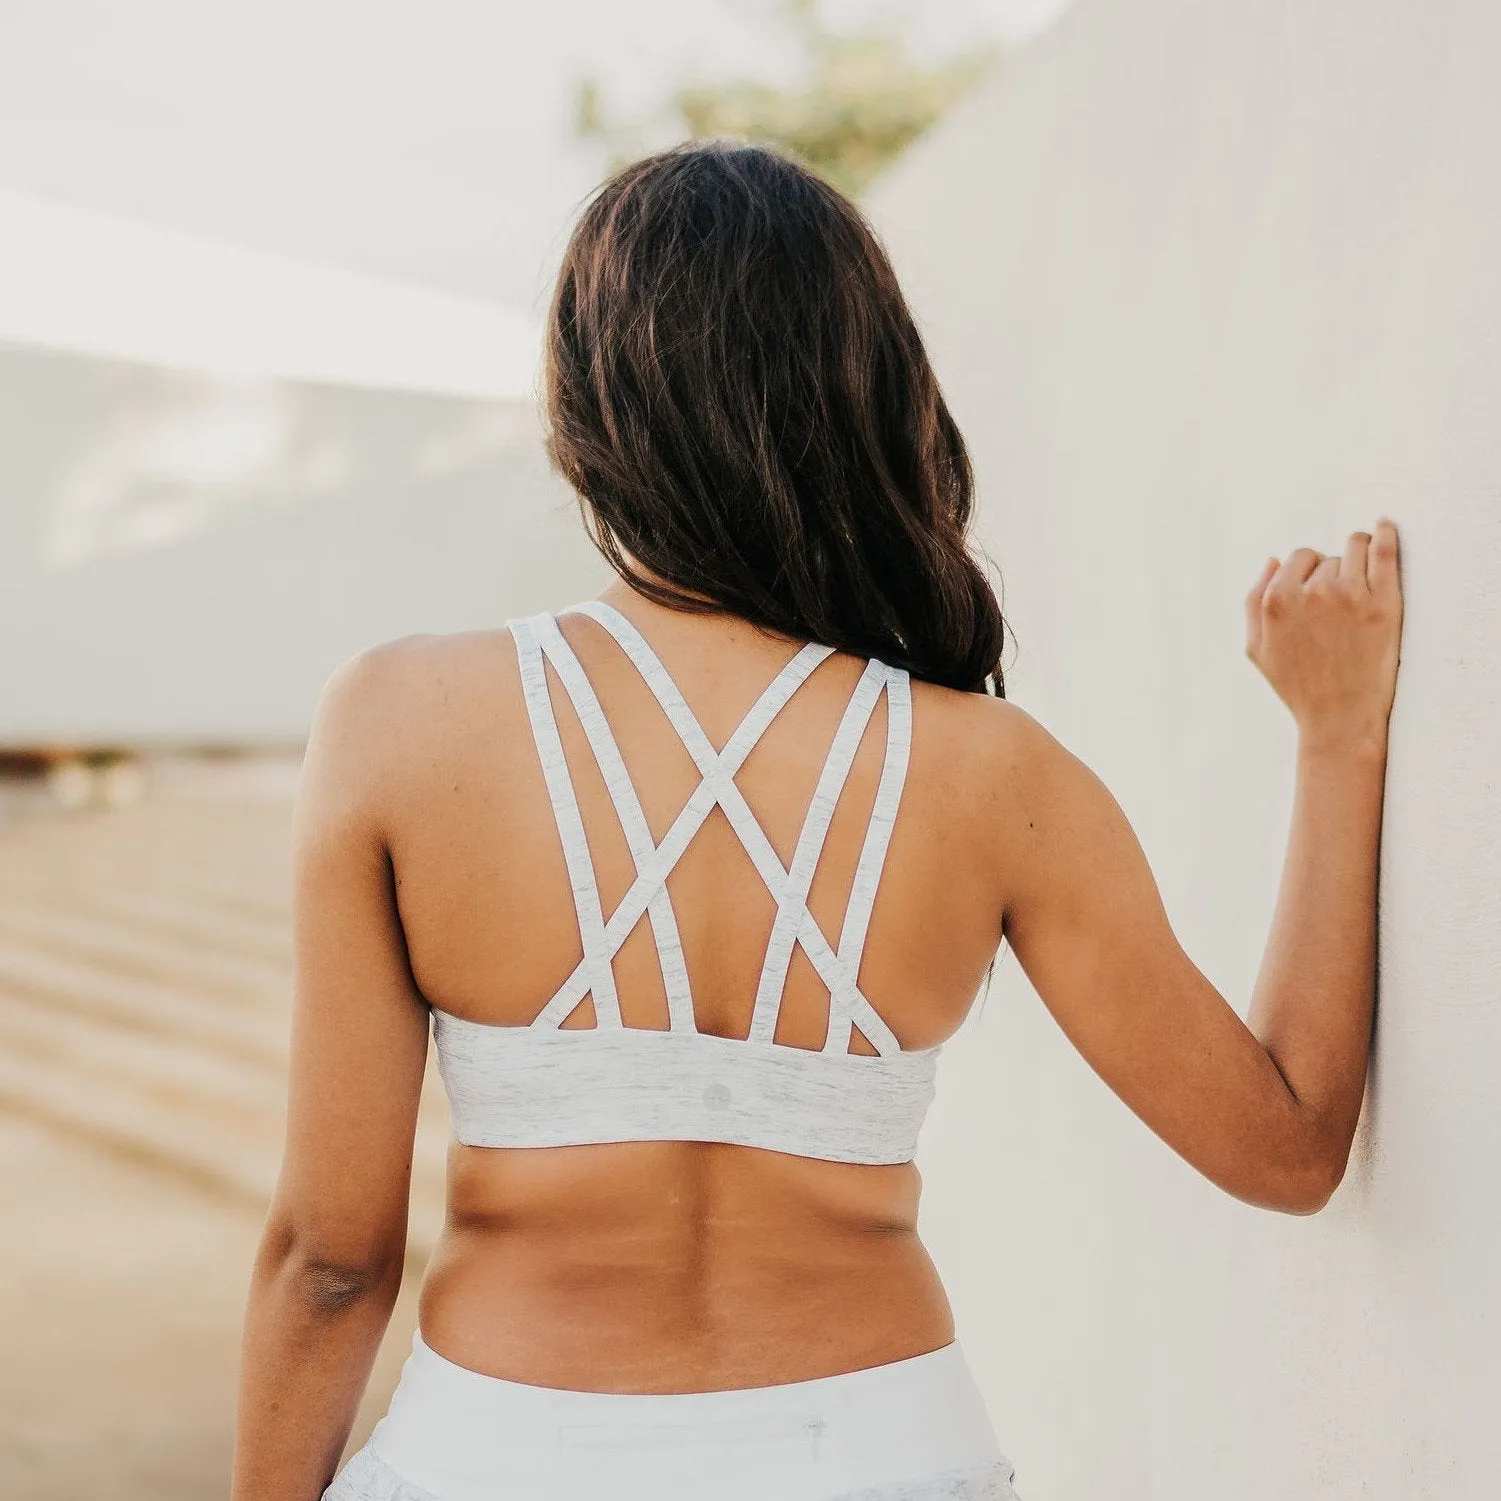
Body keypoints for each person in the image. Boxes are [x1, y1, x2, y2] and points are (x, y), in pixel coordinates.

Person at [229, 141, 1404, 1501]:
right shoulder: (993, 775)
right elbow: (1289, 1144)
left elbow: (331, 1257)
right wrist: (1341, 735)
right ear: (871, 389)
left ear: (589, 403)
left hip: (502, 1452)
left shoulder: (397, 721)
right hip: (878, 1455)